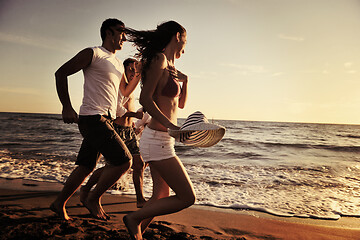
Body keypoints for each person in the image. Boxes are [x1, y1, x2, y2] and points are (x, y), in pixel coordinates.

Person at [50, 18, 134, 221]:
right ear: (108, 33)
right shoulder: (93, 53)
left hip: (106, 119)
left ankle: (59, 203)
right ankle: (92, 198)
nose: (124, 37)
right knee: (124, 161)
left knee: (86, 166)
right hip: (93, 117)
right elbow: (61, 73)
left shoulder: (116, 63)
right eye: (120, 32)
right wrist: (66, 106)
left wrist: (137, 75)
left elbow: (124, 91)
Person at [123, 21, 196, 240]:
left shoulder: (170, 65)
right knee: (186, 197)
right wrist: (173, 126)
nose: (186, 45)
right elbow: (145, 99)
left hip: (164, 139)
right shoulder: (159, 59)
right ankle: (133, 219)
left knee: (161, 195)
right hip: (157, 139)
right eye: (185, 39)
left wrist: (186, 81)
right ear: (177, 36)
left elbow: (179, 105)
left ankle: (137, 233)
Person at [80, 58, 148, 209]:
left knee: (139, 164)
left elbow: (129, 109)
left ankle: (140, 199)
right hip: (116, 129)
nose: (133, 73)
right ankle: (87, 188)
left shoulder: (131, 88)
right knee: (113, 166)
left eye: (135, 70)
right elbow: (117, 110)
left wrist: (135, 124)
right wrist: (134, 115)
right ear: (123, 70)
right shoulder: (118, 85)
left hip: (129, 132)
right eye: (131, 69)